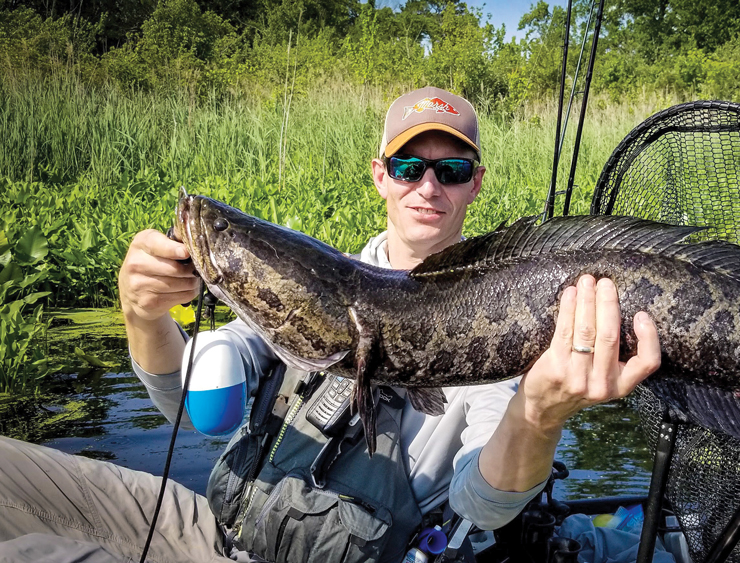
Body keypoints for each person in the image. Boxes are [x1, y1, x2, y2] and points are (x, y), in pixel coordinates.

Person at [0, 87, 661, 563]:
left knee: (33, 553)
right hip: (219, 526)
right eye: (409, 166)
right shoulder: (313, 282)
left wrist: (539, 414)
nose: (427, 186)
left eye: (450, 169)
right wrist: (144, 314)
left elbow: (484, 505)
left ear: (475, 184)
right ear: (381, 175)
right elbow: (189, 400)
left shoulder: (506, 324)